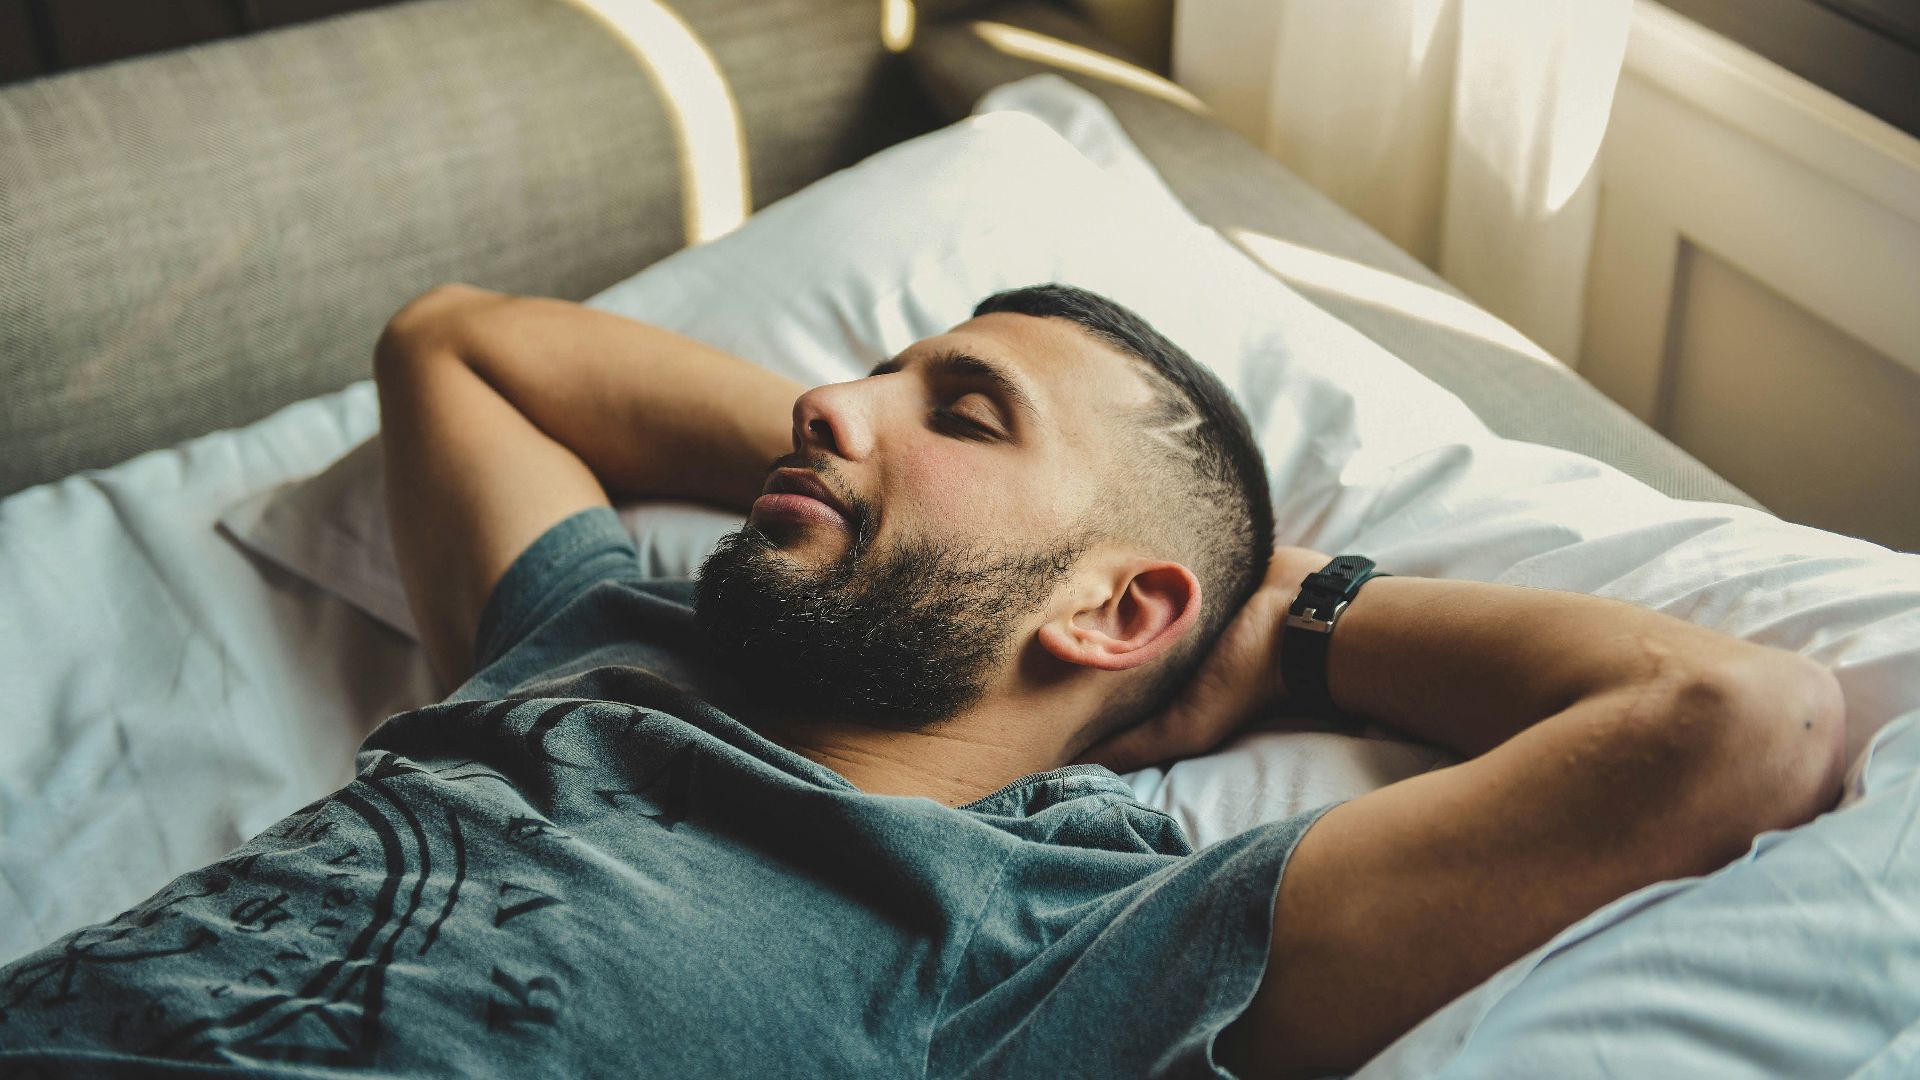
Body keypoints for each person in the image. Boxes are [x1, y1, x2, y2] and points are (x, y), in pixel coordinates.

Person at [0, 283, 1845, 1079]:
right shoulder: (607, 645)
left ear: (1119, 615)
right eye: (875, 371)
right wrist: (866, 469)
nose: (824, 399)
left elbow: (1741, 722)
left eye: (961, 408)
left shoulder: (1062, 940)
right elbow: (462, 347)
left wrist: (1275, 621)